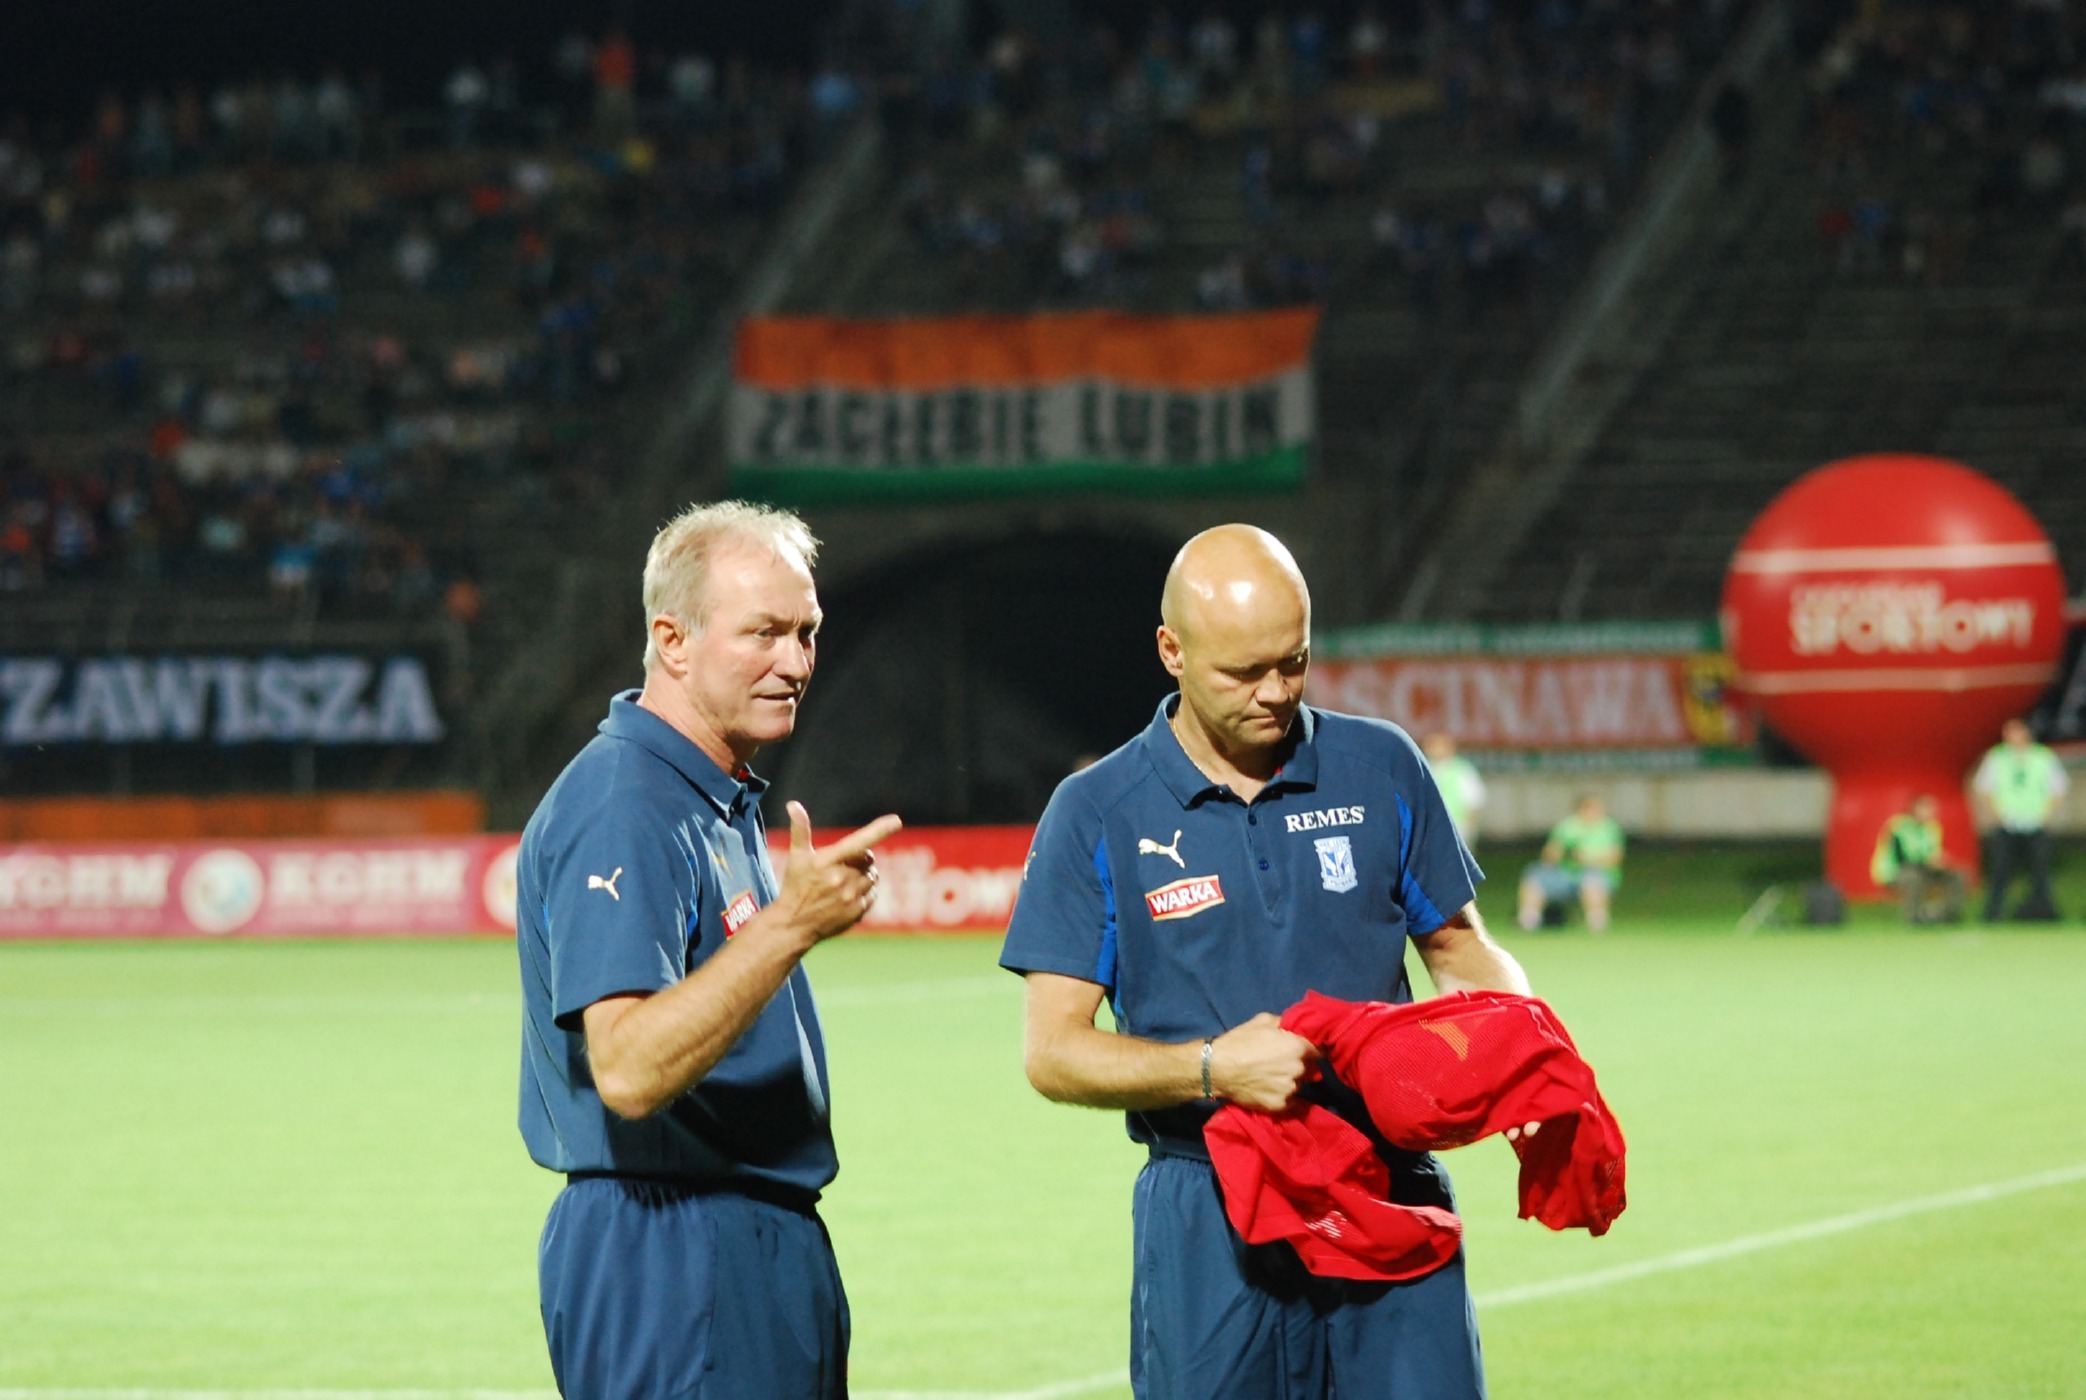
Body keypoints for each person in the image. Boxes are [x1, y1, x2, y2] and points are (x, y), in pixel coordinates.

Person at [1001, 524, 1530, 1400]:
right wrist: (1213, 1069)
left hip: (1385, 1184)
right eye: (1243, 672)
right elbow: (1053, 1051)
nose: (1275, 692)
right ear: (1171, 651)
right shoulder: (1096, 811)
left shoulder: (1382, 765)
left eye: (1294, 662)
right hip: (1210, 1209)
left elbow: (1461, 948)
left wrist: (1517, 1045)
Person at [516, 500, 901, 1400]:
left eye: (806, 633)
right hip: (672, 1248)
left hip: (738, 1238)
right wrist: (790, 926)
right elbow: (627, 1067)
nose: (795, 663)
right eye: (763, 632)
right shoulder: (626, 803)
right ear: (673, 641)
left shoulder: (707, 795)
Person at [1973, 717, 2067, 921]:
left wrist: (2046, 815)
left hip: (2035, 822)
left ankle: (2044, 911)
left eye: (2015, 732)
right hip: (2007, 823)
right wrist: (1996, 815)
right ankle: (1993, 913)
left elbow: (2058, 789)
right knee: (2000, 870)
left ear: (2026, 733)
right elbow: (1984, 788)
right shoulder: (1997, 757)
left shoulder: (2043, 757)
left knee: (2040, 870)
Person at [1517, 793, 1624, 932]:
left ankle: (1597, 922)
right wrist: (1560, 853)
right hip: (1567, 874)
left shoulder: (1608, 827)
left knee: (1591, 879)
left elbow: (1615, 857)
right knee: (1535, 874)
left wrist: (1586, 859)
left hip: (1597, 874)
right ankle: (1529, 920)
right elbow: (1549, 855)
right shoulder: (1568, 826)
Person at [1871, 793, 1965, 925]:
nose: (1930, 811)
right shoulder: (1898, 826)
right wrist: (1928, 861)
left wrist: (1941, 861)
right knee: (1914, 877)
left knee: (1958, 875)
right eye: (1926, 807)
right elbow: (1902, 858)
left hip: (1924, 868)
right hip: (1896, 871)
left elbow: (1933, 852)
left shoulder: (1933, 827)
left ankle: (1948, 915)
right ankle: (1913, 917)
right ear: (1913, 808)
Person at [1421, 729, 1486, 846]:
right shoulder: (1422, 769)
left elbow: (1474, 800)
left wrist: (1469, 828)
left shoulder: (1462, 769)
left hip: (1457, 826)